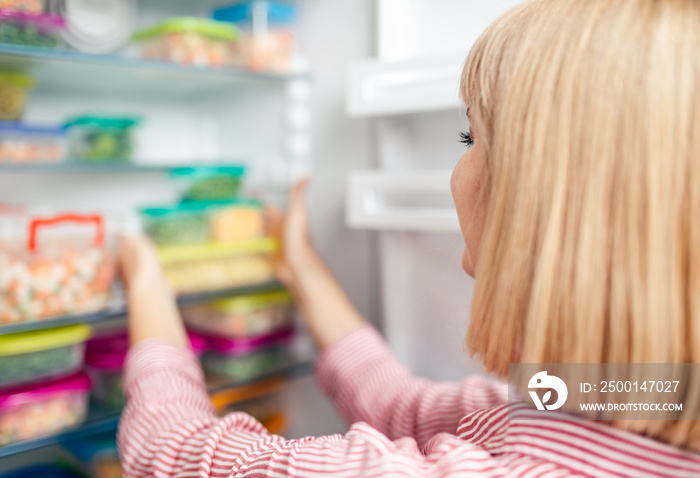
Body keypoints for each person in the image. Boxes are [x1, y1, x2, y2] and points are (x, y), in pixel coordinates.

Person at [117, 0, 700, 476]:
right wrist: (301, 266)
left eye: (470, 138)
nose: (462, 165)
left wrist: (144, 272)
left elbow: (168, 451)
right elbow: (401, 406)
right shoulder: (637, 401)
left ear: (534, 201)